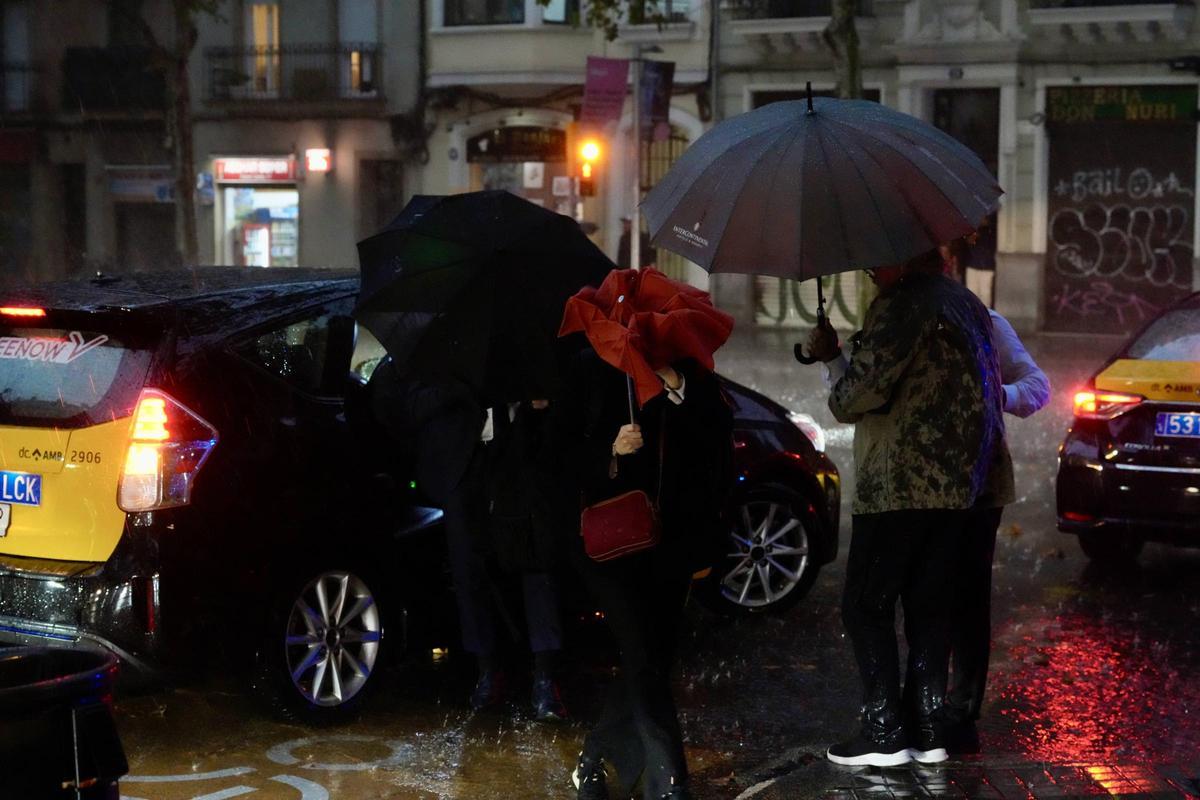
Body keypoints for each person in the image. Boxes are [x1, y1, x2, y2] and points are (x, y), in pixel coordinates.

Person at [803, 248, 1009, 768]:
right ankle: (928, 728)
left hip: (899, 485)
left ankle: (883, 730)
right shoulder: (966, 302)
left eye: (876, 262)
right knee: (928, 607)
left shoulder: (901, 305)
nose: (870, 272)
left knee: (865, 605)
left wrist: (832, 358)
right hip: (957, 488)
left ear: (902, 256)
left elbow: (853, 398)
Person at [558, 349, 733, 800]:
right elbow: (555, 455)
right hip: (611, 544)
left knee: (652, 658)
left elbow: (717, 436)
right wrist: (609, 450)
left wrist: (674, 382)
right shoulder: (592, 368)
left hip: (671, 544)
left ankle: (593, 760)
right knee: (640, 653)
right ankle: (670, 780)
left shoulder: (691, 375)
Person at [369, 359, 555, 715]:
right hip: (459, 466)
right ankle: (488, 671)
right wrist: (464, 389)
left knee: (534, 563)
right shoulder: (431, 348)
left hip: (516, 460)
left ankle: (545, 676)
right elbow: (404, 405)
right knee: (469, 571)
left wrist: (535, 401)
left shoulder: (512, 339)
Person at [940, 238, 1050, 752]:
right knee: (922, 597)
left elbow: (1038, 386)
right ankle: (924, 705)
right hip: (915, 489)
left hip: (977, 484)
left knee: (964, 598)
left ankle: (959, 713)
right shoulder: (890, 326)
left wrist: (997, 394)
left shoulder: (986, 321)